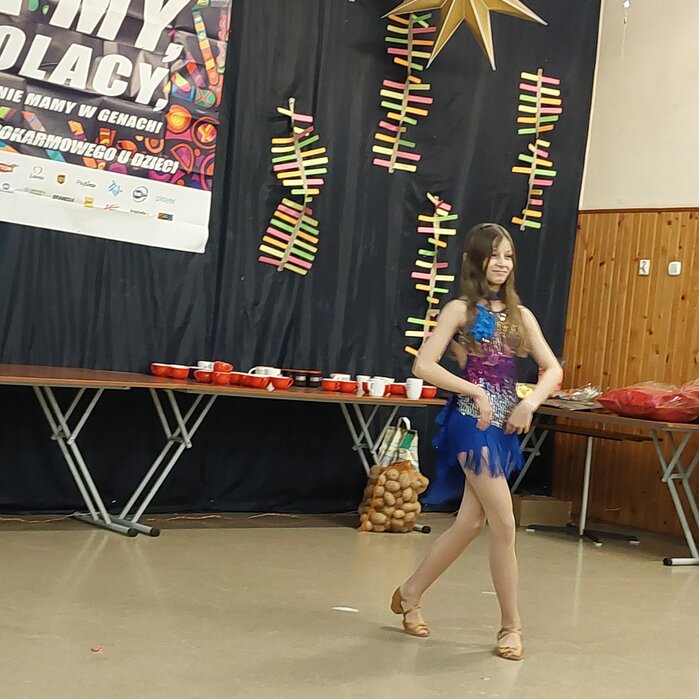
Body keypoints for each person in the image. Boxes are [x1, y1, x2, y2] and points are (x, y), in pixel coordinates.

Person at [390, 223, 563, 661]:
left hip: (503, 427)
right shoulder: (459, 310)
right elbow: (423, 366)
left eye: (508, 255)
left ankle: (409, 593)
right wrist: (475, 391)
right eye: (494, 255)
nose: (502, 263)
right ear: (474, 260)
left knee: (470, 523)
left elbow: (553, 369)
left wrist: (530, 403)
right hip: (471, 422)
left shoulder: (521, 315)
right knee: (504, 522)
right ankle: (511, 625)